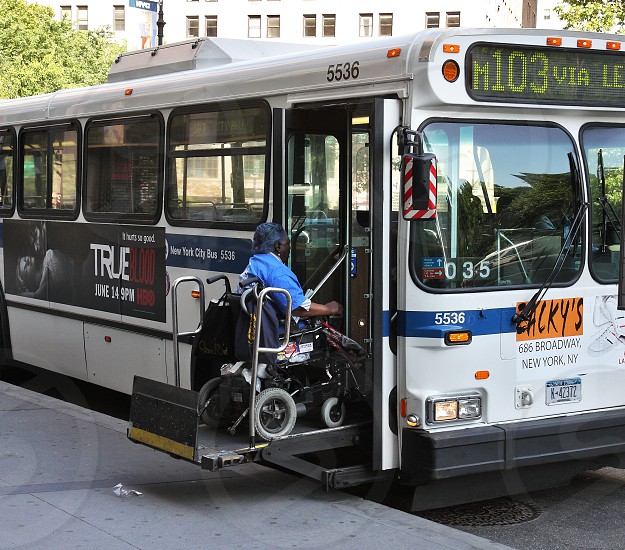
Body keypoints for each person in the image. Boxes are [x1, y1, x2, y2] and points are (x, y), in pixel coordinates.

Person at [239, 222, 343, 319]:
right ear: (278, 246)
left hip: (249, 326)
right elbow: (298, 308)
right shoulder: (277, 271)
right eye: (288, 244)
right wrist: (329, 309)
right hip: (273, 330)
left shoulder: (254, 263)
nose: (290, 248)